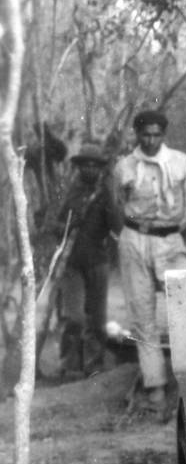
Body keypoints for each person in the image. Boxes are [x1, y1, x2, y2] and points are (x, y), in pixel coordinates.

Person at [112, 110, 186, 411]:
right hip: (135, 239)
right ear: (137, 134)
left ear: (163, 134)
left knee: (185, 308)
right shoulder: (125, 165)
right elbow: (118, 203)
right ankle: (155, 387)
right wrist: (138, 230)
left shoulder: (180, 161)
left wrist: (171, 230)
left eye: (156, 134)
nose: (150, 140)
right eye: (145, 134)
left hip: (171, 239)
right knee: (142, 313)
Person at [51, 143, 121, 379]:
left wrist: (110, 193)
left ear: (100, 169)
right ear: (79, 167)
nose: (90, 170)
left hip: (98, 261)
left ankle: (94, 365)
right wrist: (69, 225)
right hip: (72, 262)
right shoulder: (69, 192)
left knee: (98, 319)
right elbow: (53, 225)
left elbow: (117, 226)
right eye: (85, 165)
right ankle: (69, 365)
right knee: (74, 317)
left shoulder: (105, 194)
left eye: (95, 166)